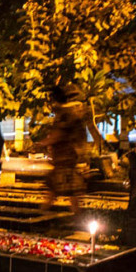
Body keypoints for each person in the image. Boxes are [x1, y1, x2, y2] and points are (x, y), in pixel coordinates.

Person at [39, 84, 87, 215]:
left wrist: (43, 143)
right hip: (66, 159)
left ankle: (41, 216)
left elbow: (59, 134)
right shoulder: (70, 113)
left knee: (60, 191)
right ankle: (42, 216)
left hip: (64, 159)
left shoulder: (65, 114)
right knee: (66, 193)